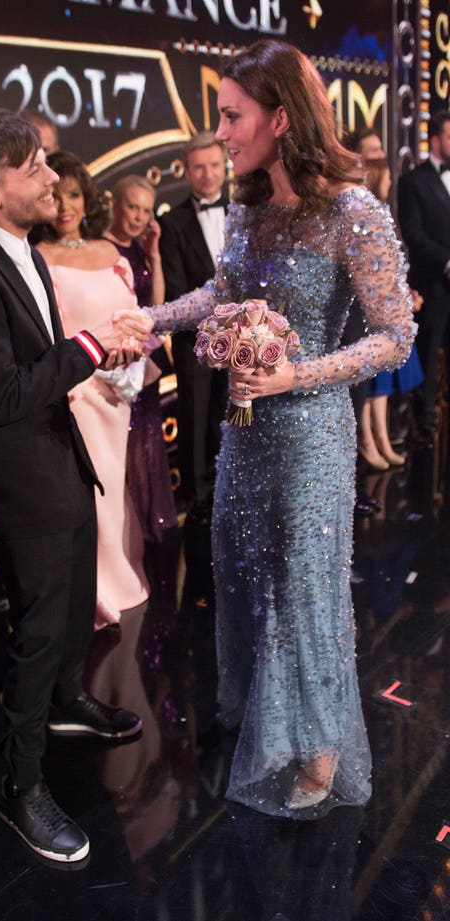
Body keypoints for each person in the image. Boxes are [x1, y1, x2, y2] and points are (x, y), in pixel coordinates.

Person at [146, 39, 414, 817]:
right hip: (245, 434)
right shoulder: (250, 205)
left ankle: (322, 748)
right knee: (242, 572)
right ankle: (272, 723)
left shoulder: (353, 213)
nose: (221, 132)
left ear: (280, 117)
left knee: (305, 589)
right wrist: (149, 320)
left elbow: (394, 337)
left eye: (232, 116)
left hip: (311, 439)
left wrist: (298, 373)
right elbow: (219, 290)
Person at [0, 109, 150, 863]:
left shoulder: (18, 246)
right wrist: (92, 346)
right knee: (36, 632)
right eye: (34, 169)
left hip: (62, 462)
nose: (54, 178)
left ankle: (70, 701)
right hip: (23, 484)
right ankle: (21, 787)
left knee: (67, 617)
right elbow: (0, 394)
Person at [34, 152, 151, 627]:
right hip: (77, 396)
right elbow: (50, 336)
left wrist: (131, 359)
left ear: (87, 198)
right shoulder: (38, 258)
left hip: (119, 395)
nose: (64, 205)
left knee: (116, 491)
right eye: (54, 195)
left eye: (74, 194)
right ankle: (95, 589)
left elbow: (137, 318)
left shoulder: (111, 254)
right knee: (92, 496)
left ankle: (119, 576)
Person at [158, 131, 229, 526]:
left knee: (232, 415)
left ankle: (229, 486)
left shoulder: (244, 212)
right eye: (199, 167)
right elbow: (175, 288)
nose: (207, 175)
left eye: (214, 165)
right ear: (187, 170)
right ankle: (198, 499)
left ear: (225, 166)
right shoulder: (172, 222)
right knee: (196, 419)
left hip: (242, 339)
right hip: (196, 340)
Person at [105, 175, 177, 544]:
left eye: (145, 210)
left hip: (142, 368)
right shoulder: (100, 250)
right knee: (122, 452)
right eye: (132, 206)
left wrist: (154, 256)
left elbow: (156, 308)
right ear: (116, 204)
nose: (137, 216)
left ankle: (145, 534)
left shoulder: (140, 250)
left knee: (147, 449)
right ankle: (123, 537)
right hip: (115, 368)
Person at [358, 157, 423, 469]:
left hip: (389, 302)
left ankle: (382, 439)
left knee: (382, 381)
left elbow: (395, 261)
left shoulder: (383, 211)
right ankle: (368, 441)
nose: (389, 184)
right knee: (371, 381)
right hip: (371, 307)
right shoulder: (364, 215)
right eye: (385, 178)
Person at [398, 110, 450, 443]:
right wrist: (446, 263)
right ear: (435, 140)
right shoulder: (413, 181)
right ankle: (425, 427)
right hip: (433, 283)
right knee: (429, 354)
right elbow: (413, 234)